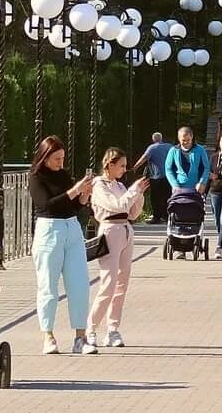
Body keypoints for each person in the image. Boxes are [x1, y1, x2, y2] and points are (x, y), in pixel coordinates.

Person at [28, 135, 96, 355]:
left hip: (71, 228)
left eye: (63, 158)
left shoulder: (64, 175)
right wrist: (74, 191)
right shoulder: (36, 177)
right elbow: (46, 205)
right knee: (48, 285)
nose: (60, 163)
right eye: (56, 159)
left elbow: (72, 206)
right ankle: (48, 334)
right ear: (45, 157)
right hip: (49, 230)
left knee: (79, 284)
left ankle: (80, 337)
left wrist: (84, 195)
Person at [87, 147, 148, 348]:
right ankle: (91, 327)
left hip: (125, 229)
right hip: (110, 230)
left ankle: (113, 328)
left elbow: (131, 213)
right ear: (110, 165)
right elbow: (117, 205)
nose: (124, 169)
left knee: (122, 283)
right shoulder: (99, 185)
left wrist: (139, 195)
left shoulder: (119, 185)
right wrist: (133, 191)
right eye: (121, 165)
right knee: (109, 282)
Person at [133, 131, 171, 224]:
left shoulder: (152, 148)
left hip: (156, 177)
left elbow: (143, 158)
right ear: (161, 138)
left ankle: (157, 217)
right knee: (167, 196)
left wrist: (134, 167)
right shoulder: (170, 147)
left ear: (153, 139)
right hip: (169, 177)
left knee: (155, 198)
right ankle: (167, 217)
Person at [165, 125, 211, 196]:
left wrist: (202, 182)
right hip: (179, 189)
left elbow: (206, 167)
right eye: (183, 140)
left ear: (192, 137)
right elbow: (168, 169)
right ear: (179, 138)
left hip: (196, 188)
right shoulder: (173, 150)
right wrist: (174, 184)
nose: (186, 142)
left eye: (188, 140)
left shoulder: (200, 149)